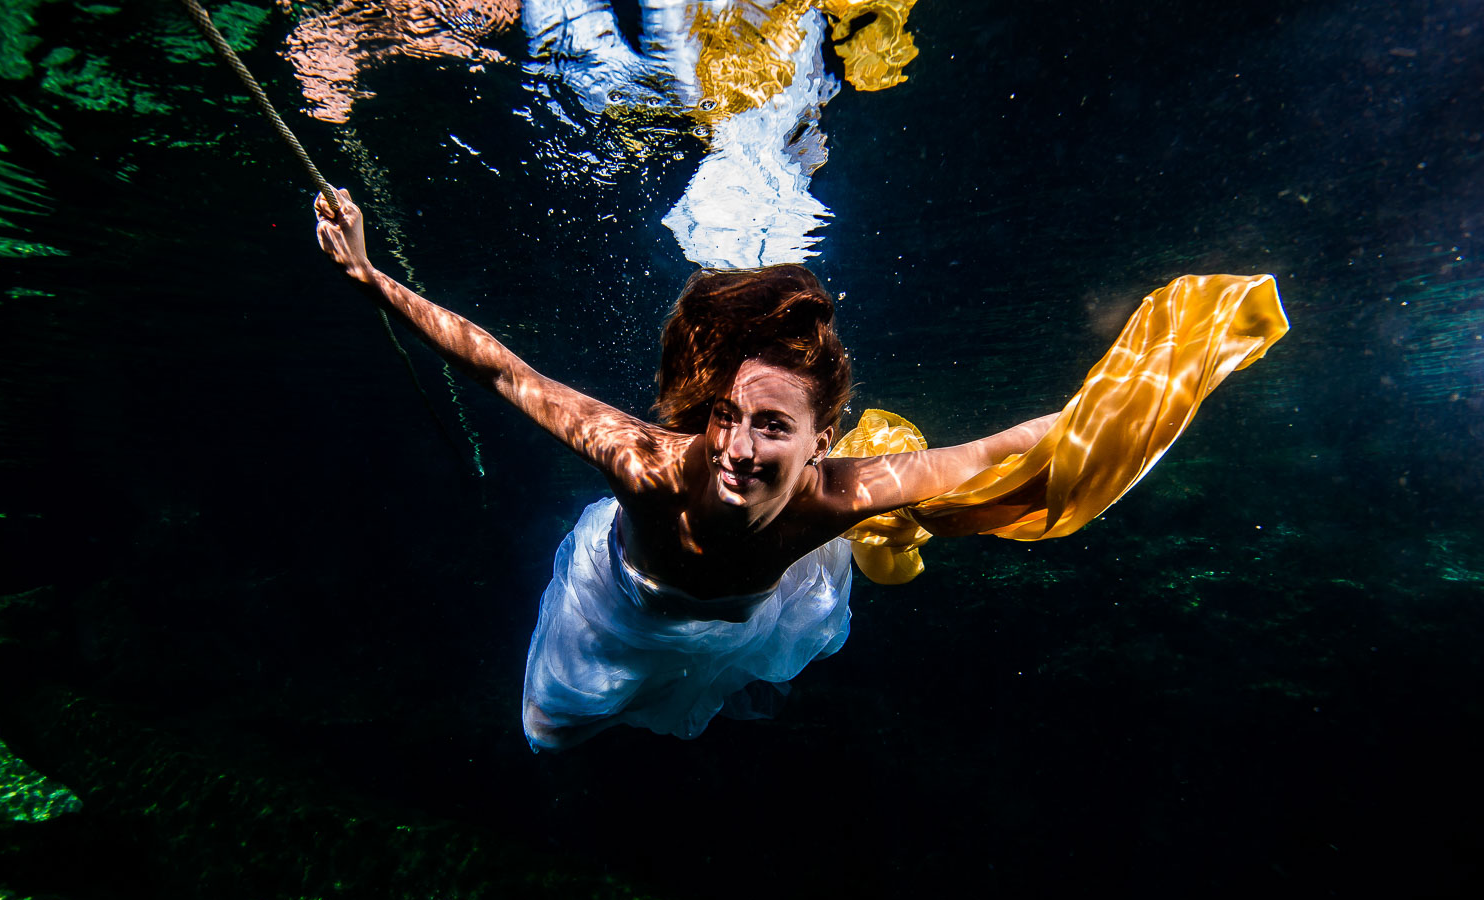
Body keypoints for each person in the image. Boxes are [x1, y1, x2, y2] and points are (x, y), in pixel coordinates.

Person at [313, 189, 1058, 749]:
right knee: (547, 728)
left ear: (820, 444)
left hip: (753, 617)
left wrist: (1147, 398)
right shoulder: (647, 468)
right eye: (724, 415)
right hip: (621, 608)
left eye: (770, 427)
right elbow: (507, 373)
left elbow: (997, 451)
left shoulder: (838, 496)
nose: (734, 448)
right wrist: (371, 277)